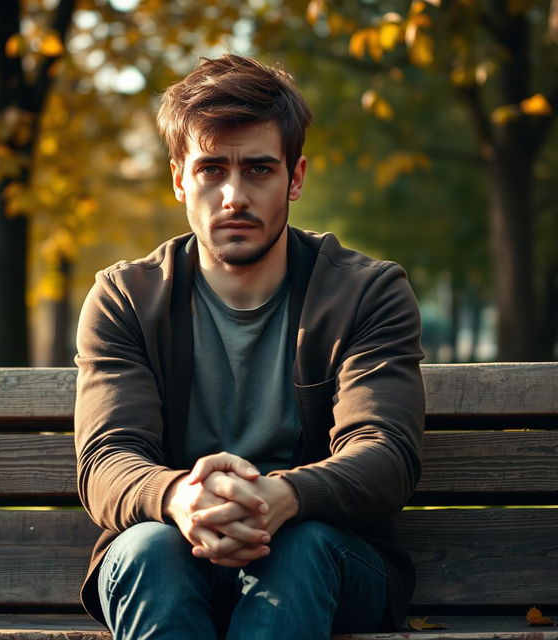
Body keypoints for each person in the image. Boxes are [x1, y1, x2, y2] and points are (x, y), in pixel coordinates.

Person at [74, 54, 425, 640]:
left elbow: (385, 452)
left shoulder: (367, 292)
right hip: (174, 549)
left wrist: (282, 495)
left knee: (301, 546)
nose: (234, 195)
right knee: (148, 552)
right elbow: (108, 460)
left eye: (259, 170)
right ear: (180, 178)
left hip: (326, 559)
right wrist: (180, 498)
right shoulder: (125, 298)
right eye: (212, 169)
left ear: (296, 177)